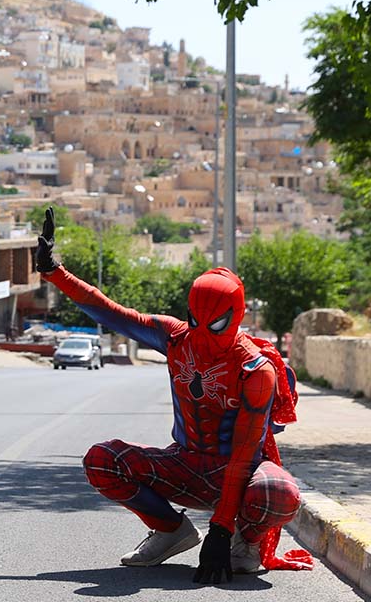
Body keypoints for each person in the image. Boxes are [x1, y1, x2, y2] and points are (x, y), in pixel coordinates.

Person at [32, 208, 313, 583]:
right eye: (196, 320)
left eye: (216, 324)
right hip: (185, 462)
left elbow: (246, 453)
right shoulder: (176, 337)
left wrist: (222, 529)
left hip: (239, 473)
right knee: (102, 460)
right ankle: (170, 530)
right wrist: (54, 271)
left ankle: (247, 541)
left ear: (236, 315)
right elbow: (113, 314)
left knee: (278, 492)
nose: (203, 334)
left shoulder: (255, 370)